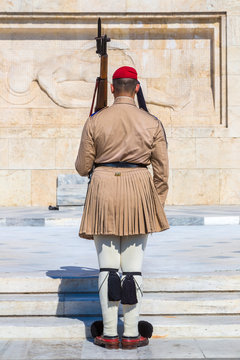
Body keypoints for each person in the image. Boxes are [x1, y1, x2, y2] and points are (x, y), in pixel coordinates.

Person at [75, 66, 169, 350]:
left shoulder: (96, 120)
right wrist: (154, 205)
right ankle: (130, 333)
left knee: (107, 267)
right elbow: (162, 173)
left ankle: (107, 332)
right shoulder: (152, 122)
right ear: (137, 88)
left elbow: (82, 168)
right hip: (139, 190)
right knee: (133, 269)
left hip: (103, 190)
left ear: (113, 88)